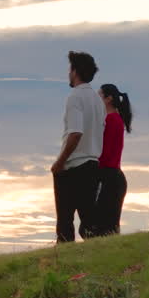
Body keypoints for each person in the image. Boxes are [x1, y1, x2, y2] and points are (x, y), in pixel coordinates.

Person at [51, 51, 106, 242]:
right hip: (92, 164)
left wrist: (60, 162)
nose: (68, 73)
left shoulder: (75, 96)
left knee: (65, 224)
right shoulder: (98, 101)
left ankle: (65, 264)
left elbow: (75, 133)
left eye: (70, 69)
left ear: (75, 72)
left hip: (74, 165)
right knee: (89, 222)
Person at [95, 83, 133, 236]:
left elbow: (105, 151)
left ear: (108, 99)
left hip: (109, 177)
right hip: (111, 176)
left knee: (105, 227)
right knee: (106, 226)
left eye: (99, 96)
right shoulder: (114, 119)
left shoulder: (111, 120)